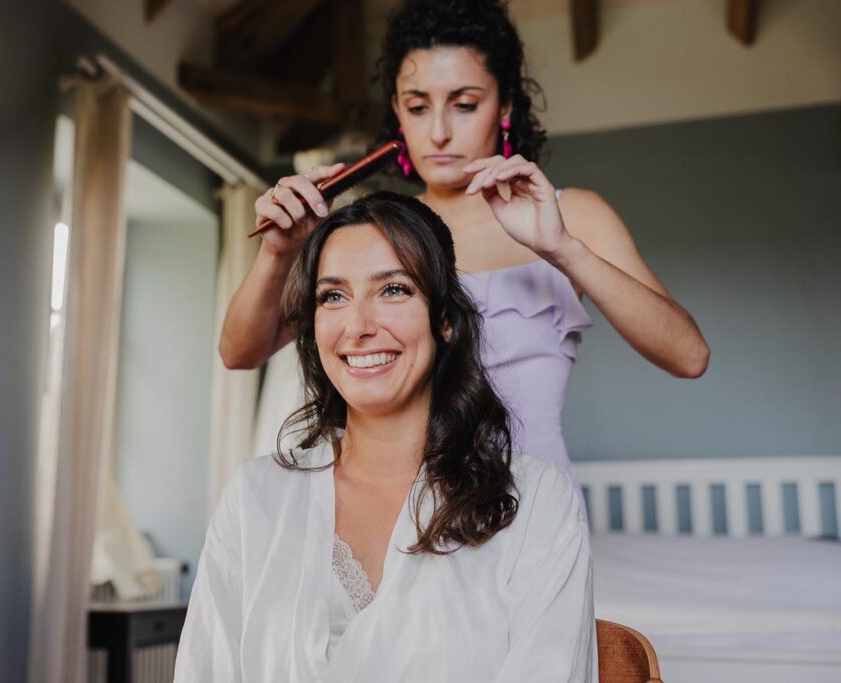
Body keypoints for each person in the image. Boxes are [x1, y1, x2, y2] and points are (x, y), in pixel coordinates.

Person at [218, 0, 709, 493]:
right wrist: (279, 252)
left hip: (534, 513)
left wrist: (561, 248)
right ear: (396, 112)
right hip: (407, 520)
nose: (438, 132)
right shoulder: (381, 231)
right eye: (417, 106)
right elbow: (239, 352)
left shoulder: (572, 215)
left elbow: (688, 356)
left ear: (506, 105)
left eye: (465, 104)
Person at [175, 193, 593, 682]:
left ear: (444, 320)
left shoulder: (535, 500)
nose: (358, 327)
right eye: (333, 296)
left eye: (393, 290)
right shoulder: (254, 498)